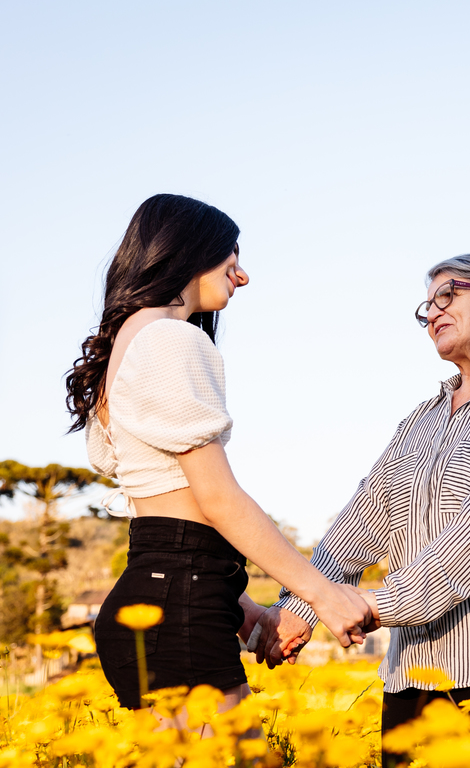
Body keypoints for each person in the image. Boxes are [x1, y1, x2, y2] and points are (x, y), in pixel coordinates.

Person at [248, 253, 470, 759]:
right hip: (413, 680)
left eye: (447, 296)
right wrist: (298, 609)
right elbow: (355, 528)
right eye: (427, 307)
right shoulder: (418, 420)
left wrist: (358, 607)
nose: (433, 314)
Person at [65, 194, 371, 725]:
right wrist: (322, 593)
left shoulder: (127, 345)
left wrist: (247, 615)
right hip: (177, 612)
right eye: (231, 255)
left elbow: (169, 523)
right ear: (189, 252)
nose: (243, 275)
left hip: (156, 599)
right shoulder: (170, 339)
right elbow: (216, 499)